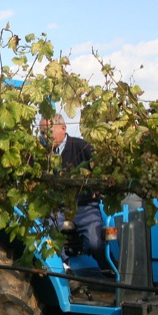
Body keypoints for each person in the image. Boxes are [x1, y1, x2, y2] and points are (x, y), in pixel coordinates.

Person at [39, 115, 108, 269]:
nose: (44, 137)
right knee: (49, 232)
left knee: (96, 243)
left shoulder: (82, 147)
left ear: (63, 128)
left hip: (85, 206)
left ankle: (107, 269)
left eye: (47, 132)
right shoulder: (42, 154)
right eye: (41, 133)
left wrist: (100, 186)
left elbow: (102, 170)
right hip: (57, 208)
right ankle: (65, 268)